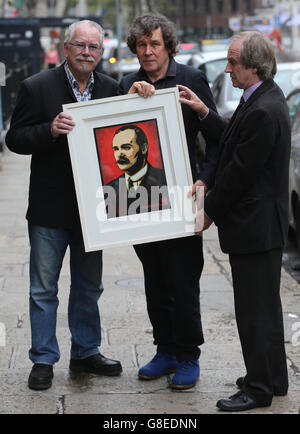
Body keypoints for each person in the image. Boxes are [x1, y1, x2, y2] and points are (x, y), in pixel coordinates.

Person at [6, 19, 151, 391]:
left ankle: (85, 351)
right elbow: (15, 139)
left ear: (101, 53)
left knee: (89, 287)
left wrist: (140, 94)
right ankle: (43, 359)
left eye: (94, 48)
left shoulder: (111, 88)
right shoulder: (36, 87)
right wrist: (49, 131)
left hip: (94, 211)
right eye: (80, 46)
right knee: (43, 288)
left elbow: (128, 132)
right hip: (50, 209)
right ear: (66, 47)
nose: (87, 53)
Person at [178, 31, 290, 411]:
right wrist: (204, 112)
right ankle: (273, 376)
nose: (227, 69)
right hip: (260, 226)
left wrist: (208, 212)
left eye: (233, 63)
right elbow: (234, 142)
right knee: (266, 309)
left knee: (254, 313)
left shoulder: (262, 108)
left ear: (253, 67)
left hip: (256, 228)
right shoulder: (262, 97)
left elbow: (239, 171)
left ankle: (258, 389)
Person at [119, 13, 218, 389]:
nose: (147, 51)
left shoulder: (191, 79)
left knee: (182, 279)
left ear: (169, 46)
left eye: (154, 44)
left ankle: (189, 355)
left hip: (181, 197)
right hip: (140, 201)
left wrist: (204, 181)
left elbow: (217, 137)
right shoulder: (127, 83)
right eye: (141, 45)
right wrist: (127, 103)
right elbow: (112, 140)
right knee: (155, 278)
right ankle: (165, 352)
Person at [106, 124, 170, 217]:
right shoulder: (109, 189)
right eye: (116, 149)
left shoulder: (166, 179)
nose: (119, 154)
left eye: (126, 147)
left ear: (143, 148)